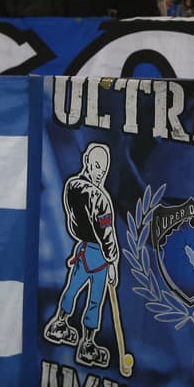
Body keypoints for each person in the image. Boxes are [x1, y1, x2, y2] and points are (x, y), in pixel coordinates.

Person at [43, 142, 119, 369]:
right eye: (96, 167)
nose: (99, 174)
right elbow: (106, 232)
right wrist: (112, 259)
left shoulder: (71, 186)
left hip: (82, 249)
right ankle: (86, 342)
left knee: (73, 290)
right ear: (87, 162)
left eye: (102, 170)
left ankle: (61, 323)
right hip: (96, 253)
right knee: (93, 298)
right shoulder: (100, 199)